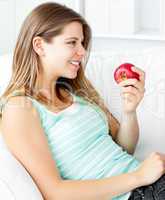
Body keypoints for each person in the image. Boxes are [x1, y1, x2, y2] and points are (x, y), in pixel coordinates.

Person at [0, 2, 165, 200]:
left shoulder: (79, 93)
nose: (82, 52)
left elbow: (124, 148)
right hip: (136, 192)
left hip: (151, 183)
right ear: (39, 45)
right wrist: (138, 177)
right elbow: (55, 192)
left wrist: (130, 111)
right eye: (72, 42)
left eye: (82, 43)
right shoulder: (19, 109)